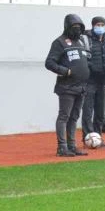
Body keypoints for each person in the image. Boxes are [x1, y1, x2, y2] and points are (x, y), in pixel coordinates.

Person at [44, 14, 91, 157]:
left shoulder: (82, 41)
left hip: (82, 87)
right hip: (67, 87)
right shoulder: (59, 42)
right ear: (67, 27)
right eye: (74, 27)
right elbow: (49, 63)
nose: (77, 30)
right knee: (64, 116)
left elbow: (86, 59)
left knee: (74, 118)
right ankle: (62, 147)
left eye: (79, 27)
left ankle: (72, 146)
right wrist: (66, 71)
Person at [82, 16, 105, 141]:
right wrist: (92, 67)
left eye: (102, 24)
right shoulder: (86, 40)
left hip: (103, 80)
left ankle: (98, 136)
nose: (100, 27)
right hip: (90, 80)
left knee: (100, 111)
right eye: (98, 24)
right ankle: (88, 137)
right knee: (87, 110)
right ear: (93, 25)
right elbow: (84, 57)